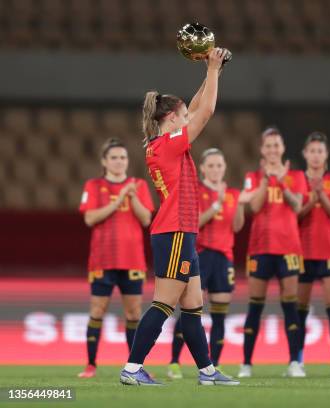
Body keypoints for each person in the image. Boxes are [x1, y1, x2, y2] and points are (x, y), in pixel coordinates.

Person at [119, 47, 239, 386]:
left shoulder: (164, 143)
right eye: (183, 115)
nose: (189, 117)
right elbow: (208, 110)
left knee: (193, 305)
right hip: (174, 232)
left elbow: (200, 105)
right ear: (171, 119)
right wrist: (213, 70)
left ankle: (207, 372)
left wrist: (213, 71)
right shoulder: (167, 145)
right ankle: (131, 368)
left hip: (182, 231)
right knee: (164, 303)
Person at [168, 148, 250, 379]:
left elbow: (236, 227)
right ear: (202, 168)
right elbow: (194, 222)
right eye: (211, 165)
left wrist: (240, 204)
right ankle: (174, 362)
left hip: (224, 258)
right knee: (190, 310)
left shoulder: (233, 194)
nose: (215, 169)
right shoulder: (196, 190)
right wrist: (217, 205)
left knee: (220, 314)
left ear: (224, 167)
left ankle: (213, 366)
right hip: (200, 255)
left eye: (219, 165)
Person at [78, 138, 154, 378]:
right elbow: (90, 219)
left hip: (132, 260)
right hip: (102, 259)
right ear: (104, 161)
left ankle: (134, 365)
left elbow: (146, 219)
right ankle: (91, 365)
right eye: (114, 158)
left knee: (133, 314)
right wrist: (119, 199)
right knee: (97, 310)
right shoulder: (93, 185)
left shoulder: (138, 185)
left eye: (123, 157)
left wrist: (131, 198)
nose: (119, 162)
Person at [238, 127, 308, 378]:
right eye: (268, 146)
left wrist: (281, 182)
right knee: (255, 305)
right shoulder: (253, 176)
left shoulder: (297, 176)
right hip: (260, 247)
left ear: (283, 148)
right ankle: (246, 363)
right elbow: (254, 208)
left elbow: (298, 205)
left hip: (289, 247)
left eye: (276, 145)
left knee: (290, 304)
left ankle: (294, 363)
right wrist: (267, 181)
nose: (272, 150)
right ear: (261, 150)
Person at [297, 132, 330, 376]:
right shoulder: (296, 181)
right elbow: (294, 216)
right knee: (300, 308)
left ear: (326, 155)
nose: (316, 155)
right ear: (305, 154)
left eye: (320, 151)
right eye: (312, 151)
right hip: (303, 251)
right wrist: (311, 200)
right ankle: (297, 362)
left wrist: (321, 195)